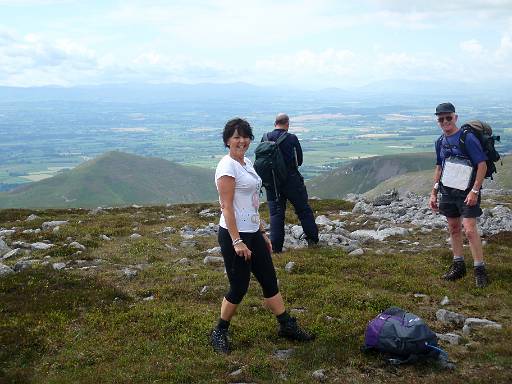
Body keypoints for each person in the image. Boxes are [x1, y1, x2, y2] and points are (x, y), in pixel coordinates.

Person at [210, 118, 314, 354]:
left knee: (269, 280)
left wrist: (261, 232)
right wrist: (237, 241)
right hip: (233, 235)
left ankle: (286, 325)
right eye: (236, 137)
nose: (242, 141)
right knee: (239, 286)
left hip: (253, 233)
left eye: (245, 136)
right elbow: (226, 207)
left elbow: (251, 203)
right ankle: (219, 331)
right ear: (227, 140)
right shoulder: (227, 166)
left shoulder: (246, 162)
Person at [428, 102, 489, 288]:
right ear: (438, 121)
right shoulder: (440, 141)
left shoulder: (467, 138)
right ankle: (458, 265)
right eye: (441, 119)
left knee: (469, 230)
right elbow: (440, 167)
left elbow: (482, 165)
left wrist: (475, 190)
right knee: (454, 229)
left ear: (455, 117)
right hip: (448, 191)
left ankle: (480, 269)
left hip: (468, 191)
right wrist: (434, 192)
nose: (445, 121)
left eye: (448, 117)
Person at [263, 113, 319, 253]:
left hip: (272, 184)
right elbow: (299, 160)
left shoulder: (264, 138)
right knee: (303, 210)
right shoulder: (291, 138)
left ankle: (276, 248)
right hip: (292, 181)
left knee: (276, 215)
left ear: (274, 123)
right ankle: (312, 240)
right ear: (287, 124)